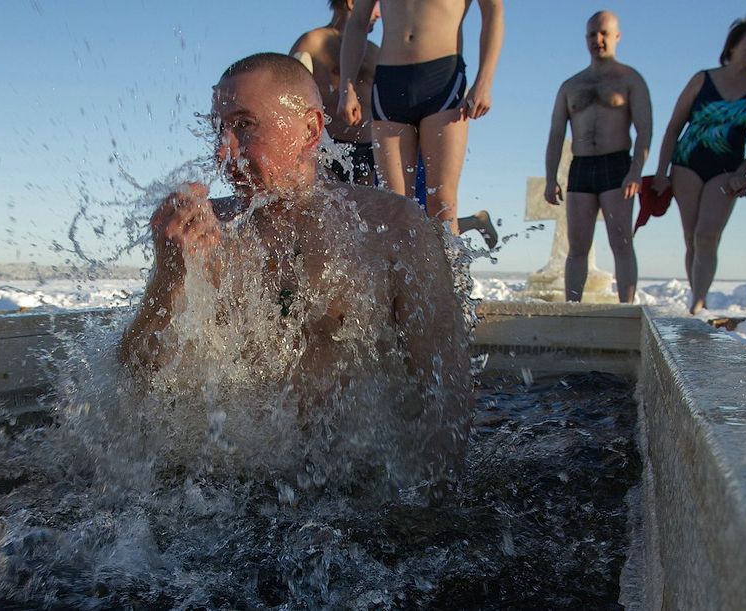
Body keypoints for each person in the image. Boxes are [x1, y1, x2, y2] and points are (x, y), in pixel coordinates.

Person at [118, 53, 472, 488]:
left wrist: (427, 507)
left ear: (310, 130)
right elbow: (134, 382)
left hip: (356, 486)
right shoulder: (208, 232)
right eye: (220, 130)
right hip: (230, 484)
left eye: (244, 126)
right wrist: (168, 278)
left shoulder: (390, 227)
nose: (223, 151)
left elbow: (445, 391)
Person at [337, 0, 504, 244]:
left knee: (442, 202)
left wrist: (485, 80)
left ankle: (449, 280)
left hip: (442, 79)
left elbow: (493, 11)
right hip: (390, 81)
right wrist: (346, 85)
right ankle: (404, 281)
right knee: (395, 205)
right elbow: (358, 20)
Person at [653, 17, 746, 314]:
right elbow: (673, 127)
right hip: (687, 164)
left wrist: (745, 175)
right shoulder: (702, 79)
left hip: (726, 170)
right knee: (691, 237)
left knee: (708, 235)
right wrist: (661, 172)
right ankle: (695, 293)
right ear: (733, 44)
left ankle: (699, 304)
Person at [544, 10, 651, 303]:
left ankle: (626, 308)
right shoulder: (571, 85)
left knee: (621, 241)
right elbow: (555, 134)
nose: (598, 39)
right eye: (592, 34)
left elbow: (644, 129)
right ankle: (572, 309)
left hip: (617, 164)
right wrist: (551, 176)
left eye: (604, 33)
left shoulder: (630, 79)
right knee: (577, 247)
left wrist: (636, 171)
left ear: (617, 36)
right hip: (581, 167)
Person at [290, 0, 381, 186]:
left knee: (363, 213)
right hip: (326, 151)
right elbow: (290, 96)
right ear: (351, 3)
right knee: (325, 212)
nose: (379, 13)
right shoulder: (312, 42)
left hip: (368, 152)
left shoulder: (374, 52)